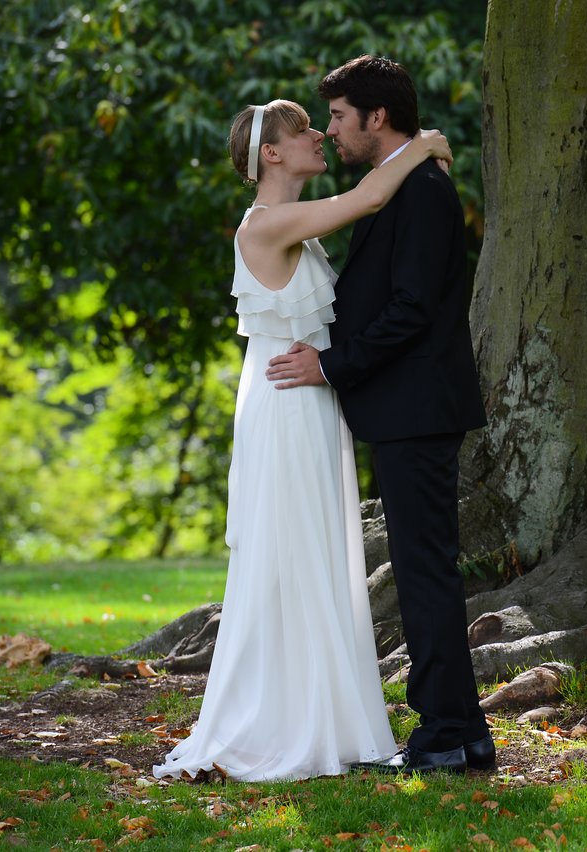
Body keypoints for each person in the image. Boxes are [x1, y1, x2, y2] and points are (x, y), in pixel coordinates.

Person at [153, 99, 453, 782]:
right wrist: (426, 141)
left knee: (316, 554)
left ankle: (323, 712)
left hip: (308, 403)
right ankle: (287, 721)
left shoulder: (297, 229)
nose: (320, 134)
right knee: (292, 555)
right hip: (287, 410)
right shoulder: (270, 223)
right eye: (303, 131)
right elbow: (372, 195)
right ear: (273, 156)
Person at [265, 56, 493, 775]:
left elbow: (411, 311)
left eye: (336, 116)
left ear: (377, 117)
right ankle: (464, 732)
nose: (330, 130)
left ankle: (442, 734)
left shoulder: (421, 190)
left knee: (425, 573)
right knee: (427, 570)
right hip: (404, 409)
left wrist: (331, 365)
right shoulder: (397, 186)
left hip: (417, 408)